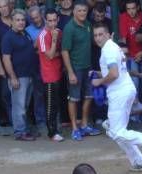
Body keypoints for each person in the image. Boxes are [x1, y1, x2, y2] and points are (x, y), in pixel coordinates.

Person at [91, 22, 142, 172]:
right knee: (115, 130)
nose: (98, 38)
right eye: (95, 35)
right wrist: (100, 74)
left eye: (101, 34)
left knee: (116, 131)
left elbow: (114, 74)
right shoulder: (113, 47)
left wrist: (99, 81)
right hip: (125, 90)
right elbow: (115, 71)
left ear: (108, 35)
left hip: (118, 93)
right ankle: (138, 161)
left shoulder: (108, 50)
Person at [62, 1, 101, 141]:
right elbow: (65, 51)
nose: (82, 13)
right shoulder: (69, 28)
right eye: (79, 11)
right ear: (74, 12)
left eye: (84, 10)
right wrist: (70, 72)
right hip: (75, 68)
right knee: (74, 98)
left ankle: (84, 124)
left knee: (89, 96)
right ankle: (74, 128)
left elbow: (94, 42)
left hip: (88, 67)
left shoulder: (88, 25)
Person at [2, 8, 38, 141]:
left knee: (24, 105)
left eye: (23, 20)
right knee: (19, 106)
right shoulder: (8, 37)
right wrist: (12, 77)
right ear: (11, 21)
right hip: (18, 77)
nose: (21, 22)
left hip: (29, 75)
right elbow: (6, 58)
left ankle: (24, 130)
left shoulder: (25, 34)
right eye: (17, 20)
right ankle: (20, 132)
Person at [38, 8, 64, 141]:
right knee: (50, 105)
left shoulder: (59, 32)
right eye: (49, 21)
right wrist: (54, 39)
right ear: (45, 20)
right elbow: (51, 55)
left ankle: (57, 128)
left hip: (59, 72)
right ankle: (52, 132)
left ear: (58, 19)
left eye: (54, 20)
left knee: (57, 103)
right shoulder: (43, 35)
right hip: (49, 75)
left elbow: (62, 52)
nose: (52, 23)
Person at [26, 5, 47, 135]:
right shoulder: (28, 30)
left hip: (51, 65)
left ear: (42, 15)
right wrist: (40, 40)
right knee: (38, 95)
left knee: (52, 94)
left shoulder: (50, 24)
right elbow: (29, 50)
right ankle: (41, 122)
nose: (36, 20)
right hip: (36, 66)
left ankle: (54, 120)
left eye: (37, 17)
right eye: (33, 18)